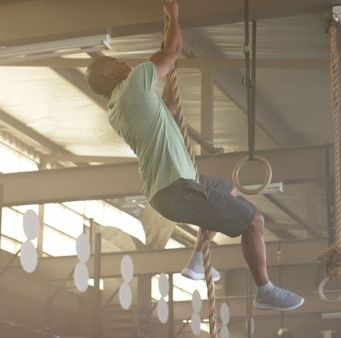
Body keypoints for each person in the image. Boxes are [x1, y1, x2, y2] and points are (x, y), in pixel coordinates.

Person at [84, 1, 303, 311]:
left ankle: (198, 260)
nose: (124, 63)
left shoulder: (121, 107)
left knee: (226, 188)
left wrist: (172, 68)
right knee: (254, 220)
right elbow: (172, 49)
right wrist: (173, 15)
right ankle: (264, 289)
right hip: (176, 188)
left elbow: (170, 110)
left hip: (176, 187)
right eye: (116, 61)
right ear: (108, 75)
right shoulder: (132, 86)